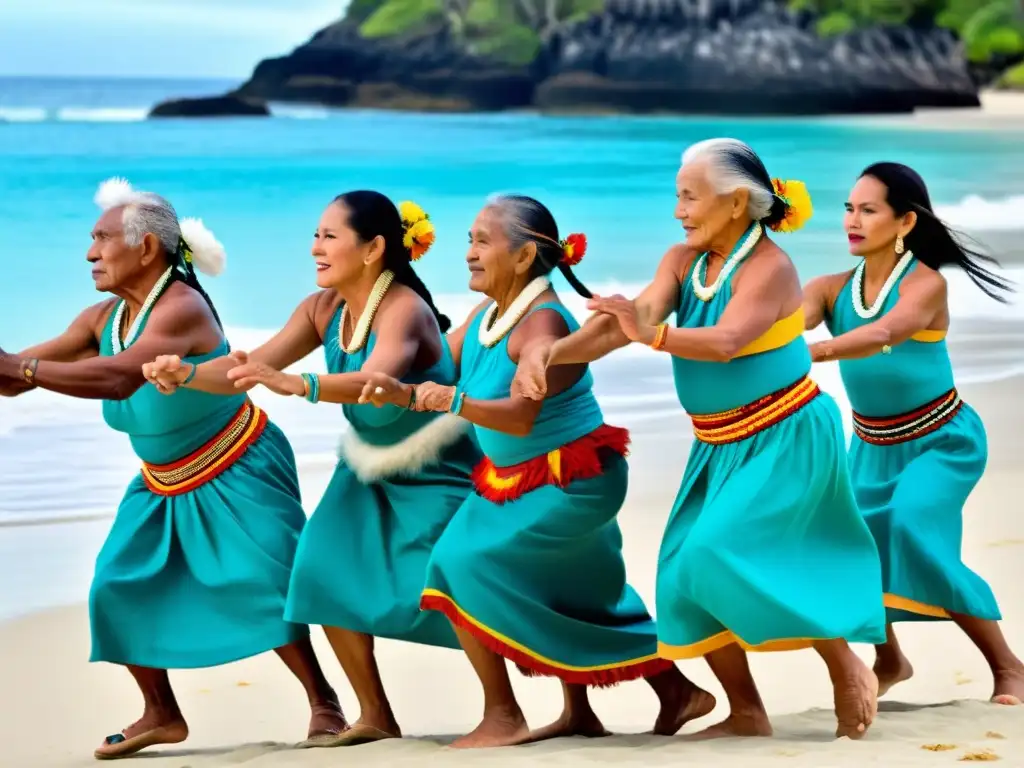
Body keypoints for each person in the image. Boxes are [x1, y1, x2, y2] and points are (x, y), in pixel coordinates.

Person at [514, 139, 889, 740]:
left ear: (737, 202)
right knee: (682, 574)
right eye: (677, 197)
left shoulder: (772, 267)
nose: (679, 210)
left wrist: (650, 333)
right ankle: (747, 712)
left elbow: (727, 341)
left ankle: (845, 664)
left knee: (720, 553)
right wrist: (548, 354)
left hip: (785, 433)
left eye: (690, 197)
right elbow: (624, 325)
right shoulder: (683, 260)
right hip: (717, 442)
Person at [0, 178, 344, 759]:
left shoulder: (182, 308)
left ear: (146, 249)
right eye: (91, 238)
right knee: (114, 585)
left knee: (264, 581)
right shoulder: (101, 319)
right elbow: (17, 374)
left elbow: (116, 376)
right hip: (161, 482)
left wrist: (24, 370)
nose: (89, 252)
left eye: (102, 239)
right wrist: (13, 369)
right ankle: (160, 713)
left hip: (237, 462)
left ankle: (324, 701)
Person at [362, 193, 715, 750]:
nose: (470, 253)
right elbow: (437, 361)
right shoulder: (487, 315)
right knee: (568, 593)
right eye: (469, 241)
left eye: (483, 241)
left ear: (525, 258)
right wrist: (375, 321)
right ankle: (648, 698)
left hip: (569, 478)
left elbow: (520, 417)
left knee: (458, 563)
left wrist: (450, 401)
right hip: (516, 478)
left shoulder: (541, 320)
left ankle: (503, 714)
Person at [143, 191, 481, 747]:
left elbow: (376, 384)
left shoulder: (404, 310)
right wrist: (186, 373)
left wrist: (303, 385)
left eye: (329, 236)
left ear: (373, 249)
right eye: (315, 235)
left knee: (472, 585)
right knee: (321, 568)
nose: (315, 247)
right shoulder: (322, 308)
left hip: (439, 467)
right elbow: (247, 367)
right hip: (367, 470)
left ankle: (509, 707)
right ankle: (374, 714)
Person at [802, 162, 1024, 706]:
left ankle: (1011, 669)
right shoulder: (829, 289)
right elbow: (784, 323)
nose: (852, 220)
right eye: (848, 208)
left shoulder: (927, 283)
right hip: (871, 448)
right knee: (847, 545)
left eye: (868, 210)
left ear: (904, 221)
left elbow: (885, 331)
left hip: (942, 441)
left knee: (911, 527)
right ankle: (890, 659)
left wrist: (815, 352)